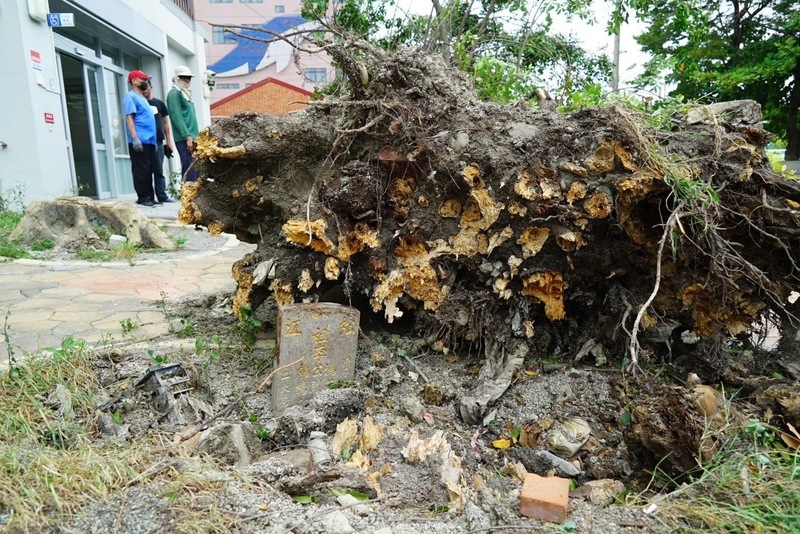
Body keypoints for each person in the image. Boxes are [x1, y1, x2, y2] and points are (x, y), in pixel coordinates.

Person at [123, 70, 158, 206]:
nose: (145, 82)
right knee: (141, 170)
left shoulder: (143, 98)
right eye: (142, 79)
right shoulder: (130, 96)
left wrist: (153, 141)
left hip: (149, 140)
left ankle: (150, 196)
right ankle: (143, 197)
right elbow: (129, 117)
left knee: (149, 169)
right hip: (139, 140)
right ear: (134, 81)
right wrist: (135, 138)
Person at [143, 81, 176, 203]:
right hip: (144, 142)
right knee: (145, 170)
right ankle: (148, 197)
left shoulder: (159, 104)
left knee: (158, 169)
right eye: (143, 87)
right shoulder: (140, 103)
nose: (145, 89)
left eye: (146, 86)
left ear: (151, 87)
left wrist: (169, 141)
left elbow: (166, 123)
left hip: (158, 142)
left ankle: (162, 195)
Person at [167, 66, 200, 183]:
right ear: (176, 77)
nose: (186, 80)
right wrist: (187, 137)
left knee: (196, 169)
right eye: (183, 77)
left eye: (189, 77)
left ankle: (195, 198)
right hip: (184, 138)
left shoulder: (186, 94)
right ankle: (188, 198)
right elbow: (177, 117)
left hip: (193, 137)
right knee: (189, 169)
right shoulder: (174, 93)